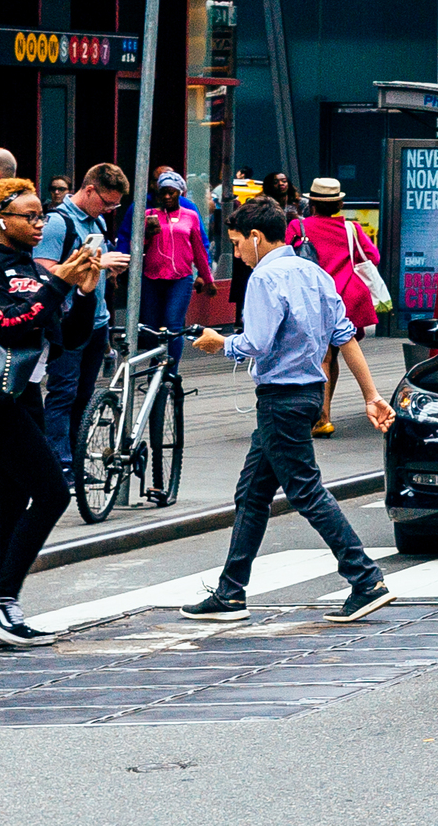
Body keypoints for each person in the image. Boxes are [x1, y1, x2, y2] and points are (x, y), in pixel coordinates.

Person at [180, 200, 398, 623]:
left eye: (239, 244)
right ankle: (230, 592)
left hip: (281, 397)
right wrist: (372, 395)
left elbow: (256, 342)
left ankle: (365, 578)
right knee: (252, 493)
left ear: (257, 237)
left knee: (305, 490)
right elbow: (345, 336)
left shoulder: (265, 277)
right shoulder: (313, 272)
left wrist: (219, 344)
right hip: (308, 394)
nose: (239, 253)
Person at [0, 179, 110, 645]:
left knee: (7, 510)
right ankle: (1, 601)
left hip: (21, 395)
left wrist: (83, 291)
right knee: (53, 494)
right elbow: (7, 324)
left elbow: (70, 337)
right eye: (30, 216)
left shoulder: (32, 267)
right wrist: (59, 281)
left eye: (41, 215)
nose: (38, 223)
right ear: (1, 219)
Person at [29, 165, 131, 482]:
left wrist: (108, 269)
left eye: (115, 205)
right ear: (88, 191)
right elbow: (43, 269)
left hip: (95, 320)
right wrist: (99, 262)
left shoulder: (95, 220)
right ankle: (58, 464)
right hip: (68, 322)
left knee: (84, 398)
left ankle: (74, 462)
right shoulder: (58, 223)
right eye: (107, 202)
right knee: (63, 394)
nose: (111, 209)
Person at [294, 178, 384, 436]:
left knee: (323, 356)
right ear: (340, 204)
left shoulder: (298, 226)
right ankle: (325, 412)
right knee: (332, 354)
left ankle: (323, 418)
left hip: (313, 299)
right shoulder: (351, 228)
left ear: (311, 203)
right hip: (346, 298)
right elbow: (373, 258)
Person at [138, 177, 205, 362]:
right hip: (152, 277)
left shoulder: (190, 215)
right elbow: (137, 247)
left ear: (180, 193)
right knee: (150, 326)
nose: (167, 196)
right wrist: (146, 235)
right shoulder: (149, 214)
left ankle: (170, 373)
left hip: (180, 278)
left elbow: (199, 248)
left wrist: (206, 277)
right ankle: (155, 367)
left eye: (172, 192)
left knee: (173, 324)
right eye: (163, 192)